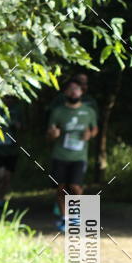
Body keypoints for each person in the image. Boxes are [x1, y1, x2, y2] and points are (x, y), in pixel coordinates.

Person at [47, 79, 98, 232]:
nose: (74, 92)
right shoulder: (58, 111)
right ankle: (64, 218)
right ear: (65, 93)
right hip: (60, 155)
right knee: (61, 187)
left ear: (82, 92)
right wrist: (53, 134)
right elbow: (49, 133)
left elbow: (94, 129)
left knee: (75, 187)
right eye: (70, 89)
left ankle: (76, 216)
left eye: (77, 89)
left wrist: (90, 134)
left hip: (79, 157)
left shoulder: (89, 112)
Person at [0, 97, 22, 218]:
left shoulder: (17, 110)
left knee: (7, 177)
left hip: (11, 150)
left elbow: (22, 128)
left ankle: (85, 224)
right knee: (0, 174)